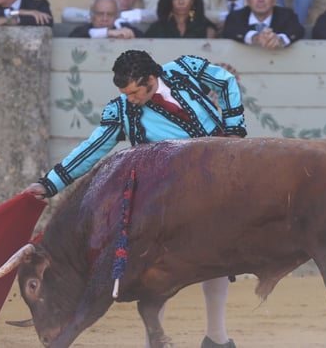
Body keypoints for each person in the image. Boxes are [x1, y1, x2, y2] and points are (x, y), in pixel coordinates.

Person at [22, 48, 244, 348]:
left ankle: (216, 337)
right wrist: (49, 184)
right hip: (169, 199)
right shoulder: (123, 112)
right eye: (125, 93)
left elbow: (226, 81)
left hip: (216, 182)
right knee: (158, 269)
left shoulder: (184, 69)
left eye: (135, 92)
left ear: (152, 80)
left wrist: (234, 131)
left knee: (217, 260)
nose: (131, 99)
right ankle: (154, 340)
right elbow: (92, 149)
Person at [220, 0, 304, 47]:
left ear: (274, 0)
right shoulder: (235, 17)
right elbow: (229, 30)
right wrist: (255, 37)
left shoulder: (287, 16)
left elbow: (297, 30)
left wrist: (279, 40)